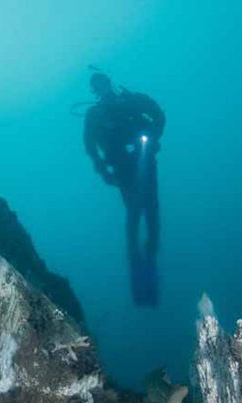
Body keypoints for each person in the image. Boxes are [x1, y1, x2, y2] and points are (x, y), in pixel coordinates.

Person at [83, 72, 165, 306]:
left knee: (152, 213)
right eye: (96, 86)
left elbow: (159, 115)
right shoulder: (95, 114)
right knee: (134, 214)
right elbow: (90, 146)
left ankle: (150, 258)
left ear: (109, 82)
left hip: (145, 163)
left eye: (103, 83)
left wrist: (153, 138)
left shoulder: (132, 100)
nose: (101, 88)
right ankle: (136, 263)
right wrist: (103, 170)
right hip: (122, 171)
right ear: (94, 91)